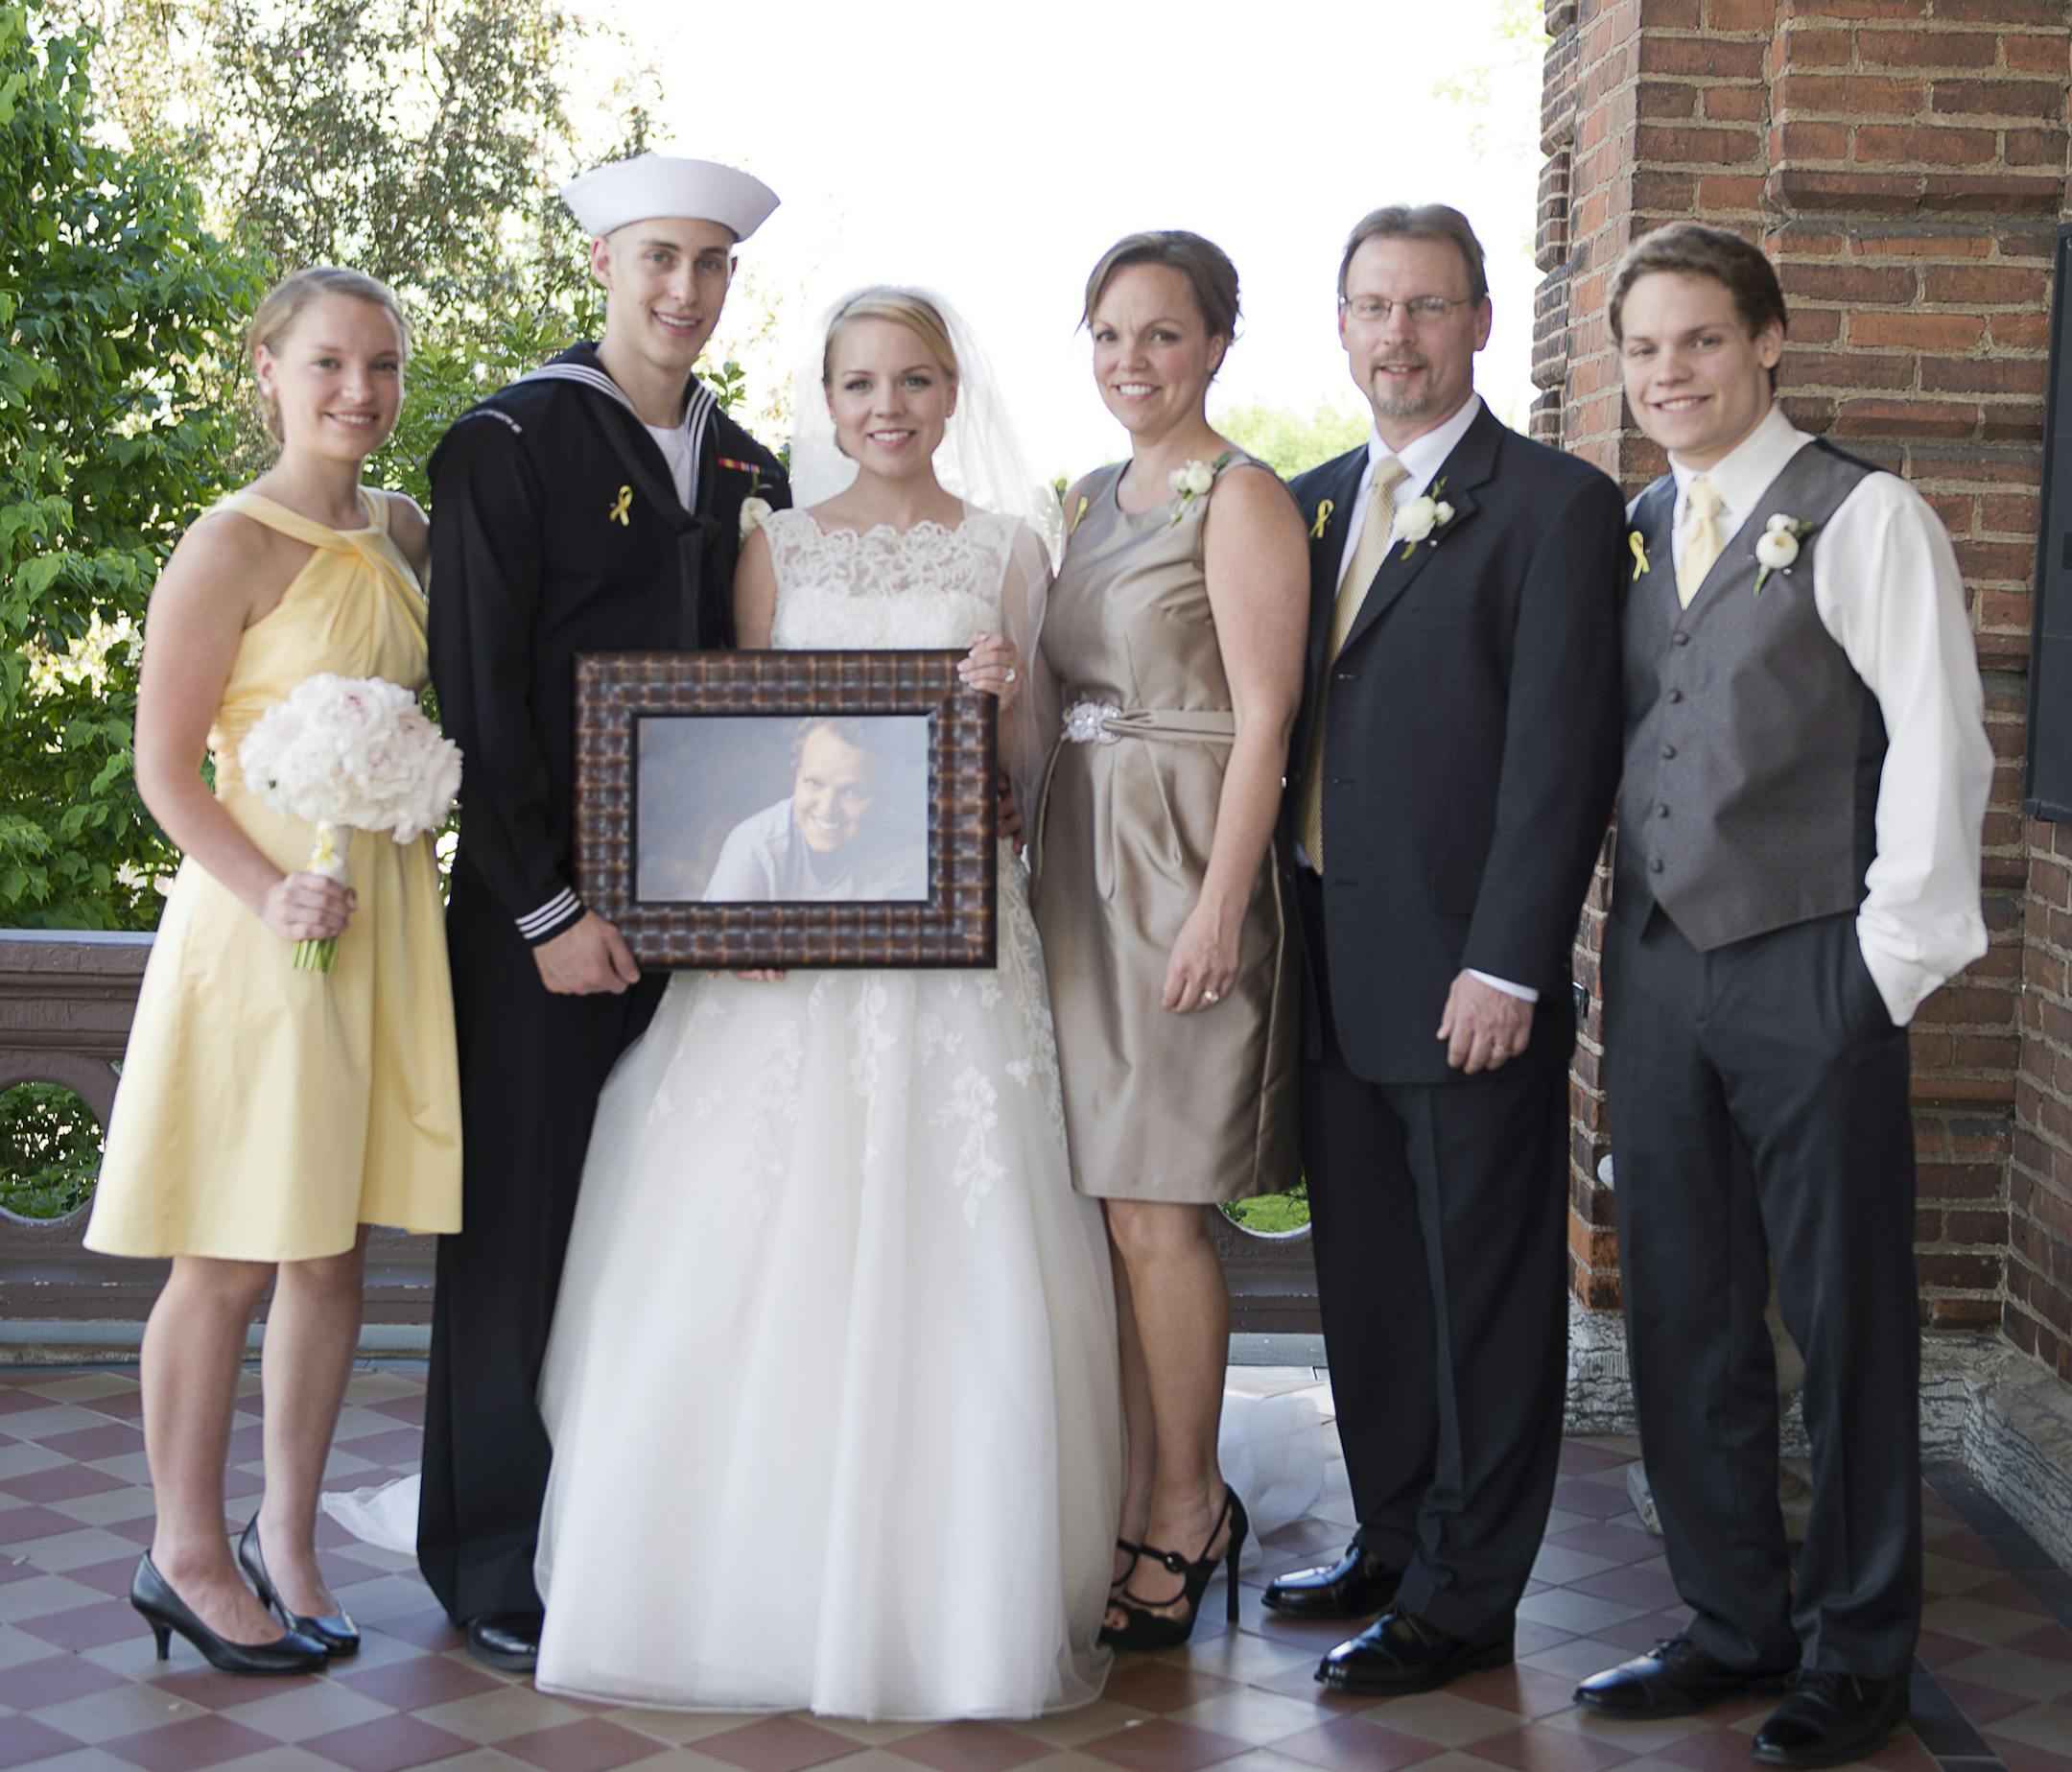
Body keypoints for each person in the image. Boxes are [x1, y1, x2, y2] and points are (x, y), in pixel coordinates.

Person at [530, 287, 1121, 1717]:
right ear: (829, 395)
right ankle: (733, 1569)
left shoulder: (1010, 547)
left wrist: (1001, 699)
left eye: (915, 379)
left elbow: (1033, 772)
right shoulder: (771, 543)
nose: (888, 408)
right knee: (752, 1229)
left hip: (955, 962)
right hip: (794, 949)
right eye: (860, 382)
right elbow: (738, 741)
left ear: (950, 389)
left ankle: (950, 1596)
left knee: (953, 1238)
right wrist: (727, 912)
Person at [1573, 223, 1991, 1767]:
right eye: (1644, 347)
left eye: (1697, 340)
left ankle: (1861, 1644)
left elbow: (1941, 748)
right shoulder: (1636, 527)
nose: (1668, 372)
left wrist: (1877, 973)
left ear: (1767, 342)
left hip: (1815, 960)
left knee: (1843, 1310)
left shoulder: (1867, 516)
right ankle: (1729, 1616)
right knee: (1683, 1301)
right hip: (1665, 970)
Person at [418, 153, 789, 1672]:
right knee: (518, 1230)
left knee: (653, 1233)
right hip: (543, 919)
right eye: (658, 258)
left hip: (700, 921)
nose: (683, 290)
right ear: (599, 263)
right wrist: (550, 907)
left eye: (709, 263)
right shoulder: (509, 439)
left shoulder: (753, 464)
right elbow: (482, 702)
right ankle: (495, 1555)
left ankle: (626, 1528)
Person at [1264, 204, 1623, 1694]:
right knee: (1370, 1280)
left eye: (1425, 306)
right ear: (1340, 326)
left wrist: (1513, 962)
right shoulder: (1307, 502)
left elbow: (1560, 759)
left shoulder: (1552, 503)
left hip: (1472, 975)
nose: (1396, 335)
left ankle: (1469, 1592)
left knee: (1480, 1290)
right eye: (1371, 306)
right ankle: (1394, 1534)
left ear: (1480, 322)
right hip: (1332, 962)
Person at [85, 267, 459, 1674]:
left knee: (330, 1245)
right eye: (327, 363)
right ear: (269, 370)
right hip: (263, 930)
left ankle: (287, 1534)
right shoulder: (227, 544)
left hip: (384, 923)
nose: (358, 390)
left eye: (382, 366)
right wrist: (269, 884)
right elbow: (162, 768)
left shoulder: (409, 529)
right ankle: (182, 1548)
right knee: (232, 1251)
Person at [1031, 231, 1307, 1651]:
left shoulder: (1242, 496)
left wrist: (1219, 901)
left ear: (1214, 346)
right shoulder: (1083, 497)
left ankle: (1192, 1508)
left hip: (1180, 865)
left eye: (1163, 334)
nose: (1132, 362)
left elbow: (1267, 716)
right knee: (1104, 1215)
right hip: (1076, 861)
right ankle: (1137, 1497)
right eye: (1110, 334)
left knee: (1159, 1208)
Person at [701, 716, 930, 902]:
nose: (828, 807)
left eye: (852, 792)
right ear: (796, 773)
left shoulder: (914, 848)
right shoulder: (756, 850)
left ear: (882, 793)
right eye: (814, 783)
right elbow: (717, 948)